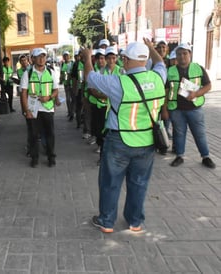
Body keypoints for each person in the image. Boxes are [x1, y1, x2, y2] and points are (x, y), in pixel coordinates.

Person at [83, 39, 167, 233]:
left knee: (110, 182)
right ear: (145, 60)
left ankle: (106, 221)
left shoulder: (118, 82)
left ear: (127, 60)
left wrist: (88, 58)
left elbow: (90, 77)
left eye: (124, 59)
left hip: (119, 141)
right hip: (147, 142)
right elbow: (160, 62)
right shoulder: (158, 77)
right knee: (139, 183)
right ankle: (135, 221)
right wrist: (152, 49)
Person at [165, 43, 216, 169]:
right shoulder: (170, 71)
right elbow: (165, 90)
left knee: (199, 133)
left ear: (190, 54)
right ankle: (179, 156)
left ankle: (206, 156)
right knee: (179, 133)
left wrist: (196, 93)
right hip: (176, 109)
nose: (182, 56)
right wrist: (164, 108)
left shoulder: (198, 68)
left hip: (195, 108)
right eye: (179, 54)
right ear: (176, 56)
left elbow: (208, 85)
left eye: (184, 53)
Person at [20, 48, 59, 168]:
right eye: (39, 56)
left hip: (47, 108)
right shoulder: (28, 73)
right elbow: (24, 93)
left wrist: (50, 97)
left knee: (50, 134)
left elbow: (56, 90)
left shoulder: (51, 72)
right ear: (33, 59)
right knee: (33, 135)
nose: (42, 59)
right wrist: (26, 111)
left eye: (44, 56)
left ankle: (51, 157)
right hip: (33, 109)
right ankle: (34, 158)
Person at [59, 51, 74, 120]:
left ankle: (73, 112)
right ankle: (70, 112)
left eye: (67, 55)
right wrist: (61, 80)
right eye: (64, 56)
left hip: (72, 84)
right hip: (66, 84)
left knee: (72, 99)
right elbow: (61, 73)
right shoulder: (62, 64)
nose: (66, 57)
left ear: (69, 56)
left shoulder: (72, 63)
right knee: (68, 99)